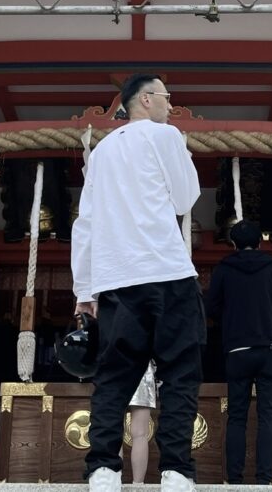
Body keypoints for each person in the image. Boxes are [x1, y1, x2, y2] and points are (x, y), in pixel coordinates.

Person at [71, 74, 205, 492]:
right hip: (167, 272)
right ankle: (176, 471)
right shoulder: (165, 135)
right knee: (179, 372)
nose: (170, 103)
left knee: (114, 375)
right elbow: (185, 199)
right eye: (166, 96)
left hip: (117, 279)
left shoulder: (102, 151)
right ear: (146, 99)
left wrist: (84, 290)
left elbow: (85, 221)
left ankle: (102, 469)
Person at [206, 219, 272, 485]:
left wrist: (230, 318)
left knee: (237, 415)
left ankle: (234, 480)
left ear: (233, 244)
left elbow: (210, 307)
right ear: (260, 242)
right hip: (270, 348)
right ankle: (264, 479)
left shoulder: (224, 269)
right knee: (268, 415)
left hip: (237, 348)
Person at [126, 361, 157, 483]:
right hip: (142, 369)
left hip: (114, 365)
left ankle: (111, 484)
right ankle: (138, 486)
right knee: (140, 434)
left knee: (112, 431)